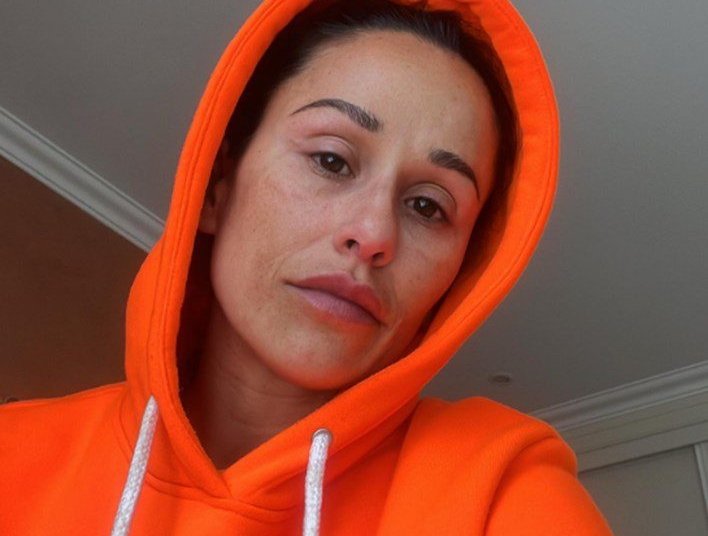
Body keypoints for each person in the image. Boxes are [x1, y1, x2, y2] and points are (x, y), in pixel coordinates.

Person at [0, 0, 613, 534]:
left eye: (429, 206)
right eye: (331, 160)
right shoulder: (13, 456)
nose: (372, 235)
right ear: (216, 187)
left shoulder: (500, 487)